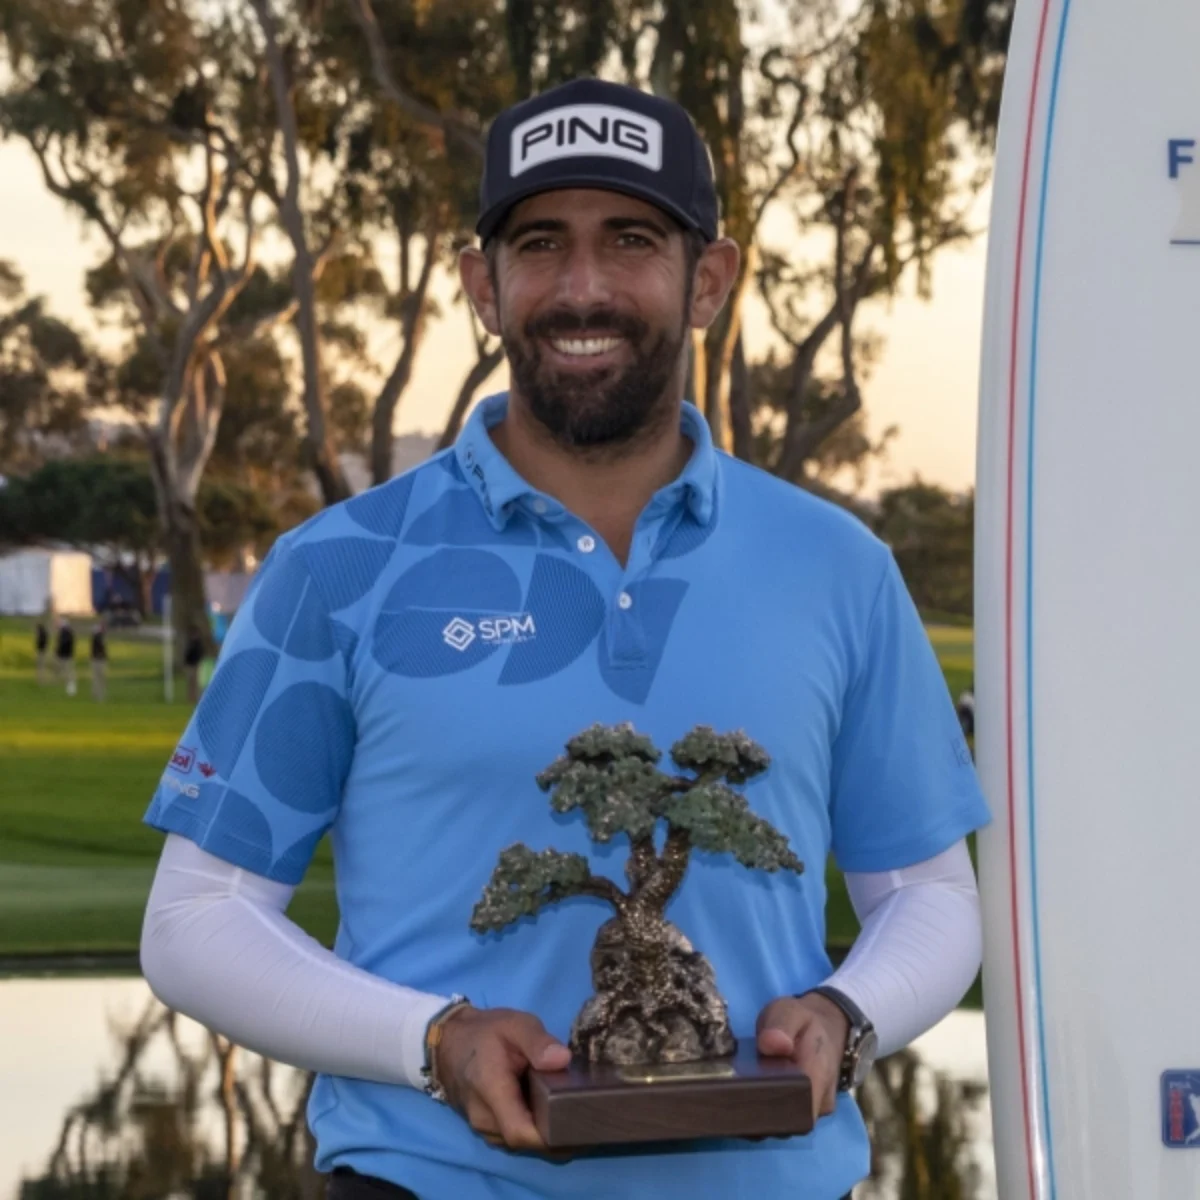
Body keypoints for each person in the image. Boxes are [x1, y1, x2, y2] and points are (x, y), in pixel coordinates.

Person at [139, 78, 991, 1200]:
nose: (583, 287)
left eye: (632, 240)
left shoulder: (839, 567)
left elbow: (929, 895)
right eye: (540, 244)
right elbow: (196, 920)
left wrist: (847, 1011)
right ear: (482, 286)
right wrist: (433, 1041)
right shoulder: (337, 566)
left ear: (709, 280)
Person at [183, 625, 204, 704]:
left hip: (196, 665)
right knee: (191, 682)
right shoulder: (190, 644)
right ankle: (191, 697)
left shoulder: (198, 644)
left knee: (196, 682)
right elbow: (187, 655)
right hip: (191, 665)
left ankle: (196, 697)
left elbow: (200, 654)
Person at [55, 618, 76, 696]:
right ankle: (69, 687)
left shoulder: (65, 633)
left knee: (68, 672)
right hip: (67, 655)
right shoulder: (69, 633)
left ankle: (71, 688)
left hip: (65, 655)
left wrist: (58, 652)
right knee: (67, 671)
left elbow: (63, 644)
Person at [90, 620, 108, 702]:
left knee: (97, 678)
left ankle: (96, 693)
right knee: (100, 678)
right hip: (99, 660)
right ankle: (99, 695)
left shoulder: (97, 636)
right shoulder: (99, 636)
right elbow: (101, 648)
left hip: (96, 659)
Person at [34, 620, 49, 685]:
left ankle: (40, 679)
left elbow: (39, 643)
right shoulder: (45, 633)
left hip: (41, 651)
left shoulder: (41, 634)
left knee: (40, 666)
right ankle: (41, 679)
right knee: (42, 666)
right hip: (44, 651)